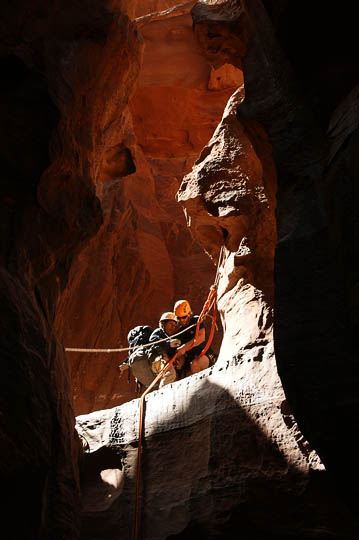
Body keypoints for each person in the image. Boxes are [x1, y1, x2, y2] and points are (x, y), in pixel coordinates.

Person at [174, 299, 216, 376]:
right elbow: (181, 353)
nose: (181, 320)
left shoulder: (196, 321)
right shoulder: (180, 332)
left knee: (195, 364)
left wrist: (184, 347)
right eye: (179, 318)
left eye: (184, 317)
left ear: (189, 314)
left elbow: (201, 338)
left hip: (205, 355)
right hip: (191, 360)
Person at [147, 312, 180, 387]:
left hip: (163, 361)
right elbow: (154, 341)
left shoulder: (169, 337)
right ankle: (162, 393)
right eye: (171, 324)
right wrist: (169, 344)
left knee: (173, 374)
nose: (173, 327)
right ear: (163, 324)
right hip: (156, 360)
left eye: (174, 326)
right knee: (170, 373)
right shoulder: (159, 332)